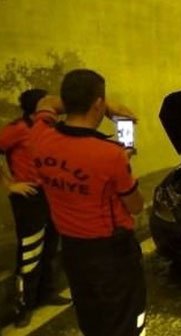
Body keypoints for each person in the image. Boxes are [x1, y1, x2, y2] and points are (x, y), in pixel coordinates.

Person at [28, 69, 146, 335]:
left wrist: (103, 103)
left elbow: (46, 103)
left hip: (72, 249)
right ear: (97, 104)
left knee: (91, 317)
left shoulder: (39, 136)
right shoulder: (111, 155)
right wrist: (124, 164)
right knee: (126, 321)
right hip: (111, 254)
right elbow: (136, 206)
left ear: (67, 102)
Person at [0, 89, 72, 327]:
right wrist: (10, 184)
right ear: (37, 107)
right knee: (30, 252)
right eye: (48, 102)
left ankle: (46, 293)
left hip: (50, 193)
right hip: (28, 197)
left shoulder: (48, 127)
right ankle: (24, 306)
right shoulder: (18, 129)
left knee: (50, 246)